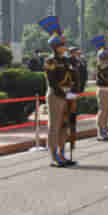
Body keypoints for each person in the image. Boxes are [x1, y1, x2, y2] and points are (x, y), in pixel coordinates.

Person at [38, 16, 80, 167]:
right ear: (55, 46)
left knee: (65, 125)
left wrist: (73, 91)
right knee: (55, 126)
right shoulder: (51, 61)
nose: (65, 46)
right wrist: (64, 94)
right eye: (62, 44)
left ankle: (62, 153)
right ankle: (54, 156)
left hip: (68, 94)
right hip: (56, 95)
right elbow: (52, 82)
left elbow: (75, 77)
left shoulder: (67, 60)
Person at [92, 35, 108, 141]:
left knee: (107, 111)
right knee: (103, 111)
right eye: (105, 58)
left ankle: (105, 130)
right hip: (103, 89)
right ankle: (100, 131)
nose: (107, 59)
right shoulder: (101, 64)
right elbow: (105, 67)